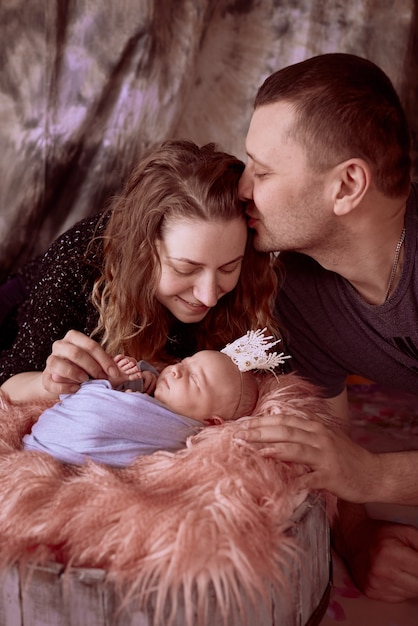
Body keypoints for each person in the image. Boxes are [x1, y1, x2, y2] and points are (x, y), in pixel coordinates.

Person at [235, 53, 418, 603]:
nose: (241, 189)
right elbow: (329, 444)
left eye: (262, 172)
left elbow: (354, 469)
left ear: (347, 186)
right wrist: (359, 535)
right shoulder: (298, 291)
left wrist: (374, 477)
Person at [0, 140, 280, 403]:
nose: (208, 297)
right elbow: (9, 382)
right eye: (185, 269)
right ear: (142, 253)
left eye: (229, 268)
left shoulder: (252, 272)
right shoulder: (76, 263)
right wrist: (48, 384)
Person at [23, 348, 260, 467]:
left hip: (63, 454)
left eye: (194, 380)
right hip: (46, 445)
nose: (176, 370)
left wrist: (112, 384)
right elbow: (72, 390)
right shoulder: (151, 388)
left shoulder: (182, 433)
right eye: (184, 363)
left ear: (212, 422)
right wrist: (124, 377)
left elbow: (112, 416)